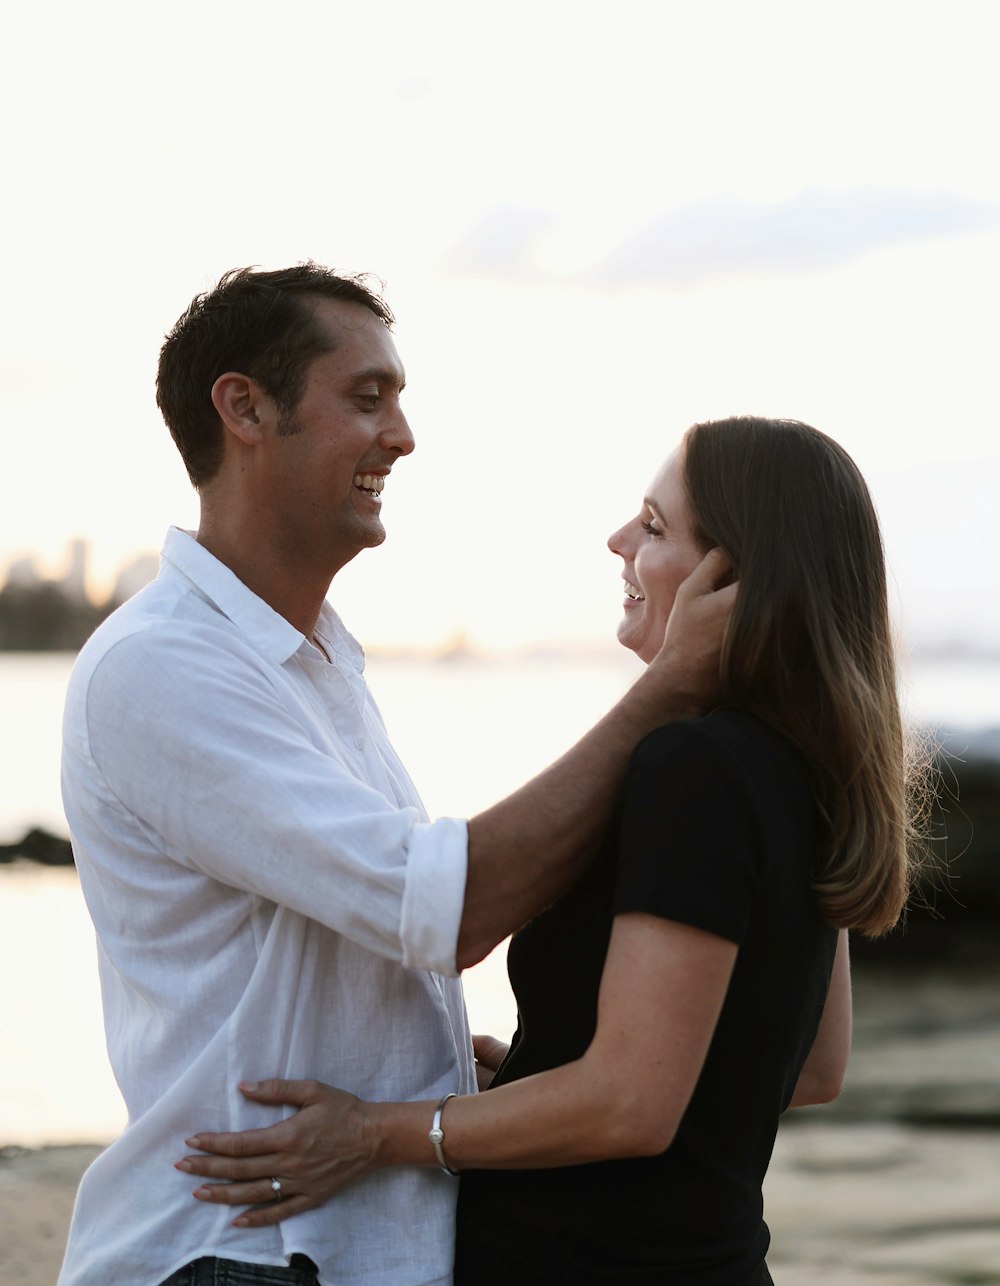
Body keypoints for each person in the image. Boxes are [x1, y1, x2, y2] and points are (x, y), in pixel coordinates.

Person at [58, 263, 734, 1286]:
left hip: (339, 1246)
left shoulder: (312, 660)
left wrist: (443, 1065)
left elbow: (361, 928)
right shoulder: (161, 664)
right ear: (244, 407)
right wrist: (667, 689)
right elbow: (445, 910)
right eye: (366, 397)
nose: (402, 435)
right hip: (242, 1250)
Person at [176, 416, 925, 1284]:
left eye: (652, 526)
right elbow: (809, 1069)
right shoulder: (809, 765)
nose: (616, 542)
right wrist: (542, 1073)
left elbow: (630, 1103)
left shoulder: (694, 768)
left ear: (732, 578)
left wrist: (377, 1132)